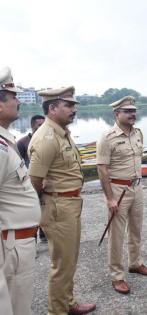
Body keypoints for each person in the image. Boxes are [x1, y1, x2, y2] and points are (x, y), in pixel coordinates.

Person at [28, 86, 96, 315]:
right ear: (52, 108)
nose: (74, 109)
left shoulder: (62, 133)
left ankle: (68, 303)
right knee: (61, 264)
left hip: (69, 204)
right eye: (68, 105)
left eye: (74, 105)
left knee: (69, 260)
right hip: (58, 207)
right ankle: (56, 311)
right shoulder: (46, 138)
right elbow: (34, 182)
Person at [97, 96, 147, 295]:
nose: (133, 114)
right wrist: (110, 198)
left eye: (134, 110)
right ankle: (117, 276)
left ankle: (135, 263)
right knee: (116, 235)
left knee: (136, 230)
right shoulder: (107, 137)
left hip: (137, 188)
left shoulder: (138, 133)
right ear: (117, 114)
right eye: (128, 111)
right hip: (118, 191)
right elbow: (102, 169)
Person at [0, 66, 41, 315]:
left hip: (19, 240)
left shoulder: (6, 140)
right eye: (13, 96)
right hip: (11, 244)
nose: (18, 101)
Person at [17, 114, 47, 242]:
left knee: (45, 208)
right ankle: (32, 239)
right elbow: (17, 163)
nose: (42, 127)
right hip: (30, 182)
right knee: (32, 211)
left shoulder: (48, 140)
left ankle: (44, 234)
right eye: (39, 125)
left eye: (44, 125)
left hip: (46, 181)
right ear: (32, 126)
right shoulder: (22, 142)